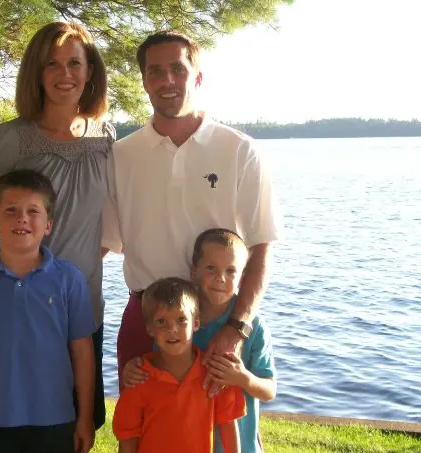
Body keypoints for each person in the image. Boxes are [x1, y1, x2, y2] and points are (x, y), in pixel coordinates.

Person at [0, 22, 114, 430]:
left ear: (91, 71)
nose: (64, 74)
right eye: (51, 64)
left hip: (81, 313)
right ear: (35, 73)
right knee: (8, 427)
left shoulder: (105, 136)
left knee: (76, 425)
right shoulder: (10, 140)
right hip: (14, 315)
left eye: (75, 63)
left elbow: (102, 225)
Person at [102, 31, 282, 388]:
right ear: (144, 81)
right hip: (146, 318)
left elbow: (261, 246)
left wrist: (237, 327)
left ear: (197, 77)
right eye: (155, 71)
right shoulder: (120, 156)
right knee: (142, 436)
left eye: (178, 69)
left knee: (222, 438)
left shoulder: (240, 150)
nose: (167, 81)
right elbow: (100, 246)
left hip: (217, 321)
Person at [0, 169, 96, 453]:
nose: (22, 218)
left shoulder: (69, 279)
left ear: (48, 225)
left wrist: (85, 418)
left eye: (33, 211)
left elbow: (82, 354)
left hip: (55, 420)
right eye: (11, 210)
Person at [123, 229, 277, 453]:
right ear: (194, 270)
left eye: (231, 271)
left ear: (242, 277)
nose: (220, 278)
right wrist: (133, 369)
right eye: (211, 268)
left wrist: (242, 378)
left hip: (239, 444)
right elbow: (159, 369)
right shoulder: (179, 320)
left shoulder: (253, 327)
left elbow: (269, 390)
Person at [112, 277, 245, 453]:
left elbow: (228, 425)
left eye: (181, 319)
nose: (172, 329)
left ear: (195, 323)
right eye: (161, 321)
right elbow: (127, 439)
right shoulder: (138, 377)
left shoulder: (213, 372)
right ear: (149, 328)